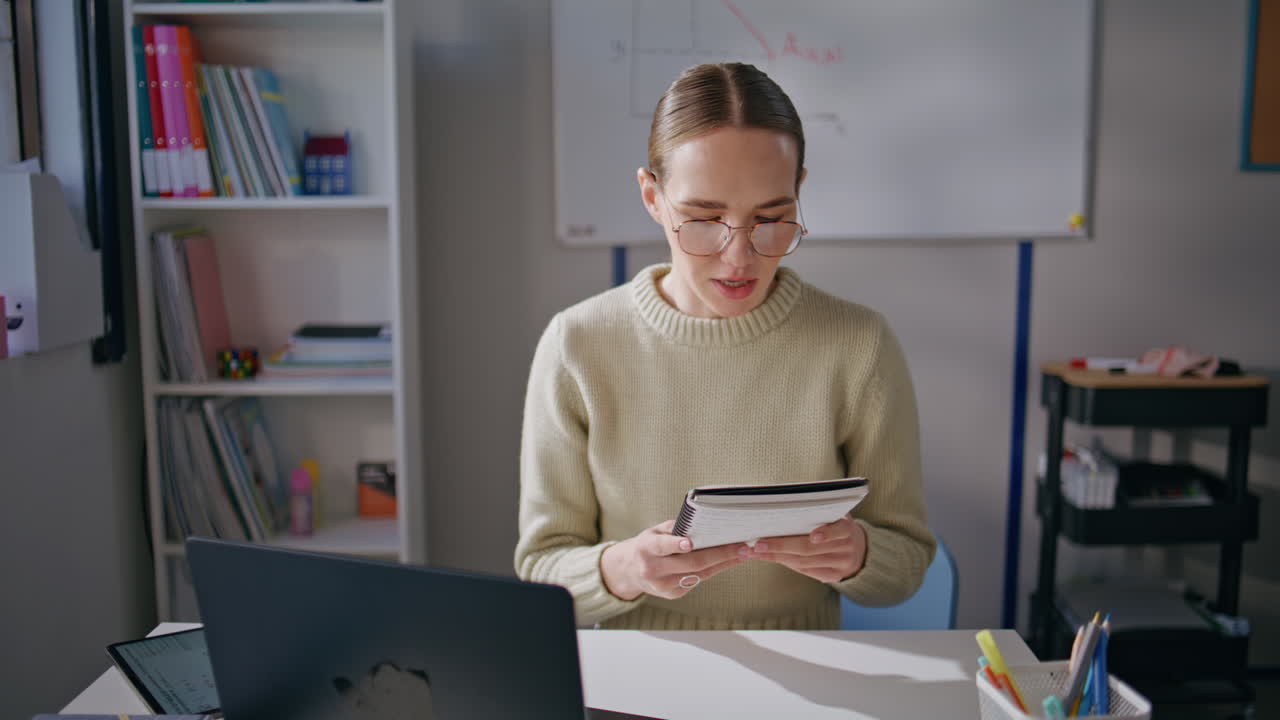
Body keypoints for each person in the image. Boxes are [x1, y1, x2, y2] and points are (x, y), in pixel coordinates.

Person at [515, 62, 935, 630]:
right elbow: (541, 566)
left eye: (772, 218)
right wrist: (622, 569)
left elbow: (907, 566)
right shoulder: (578, 345)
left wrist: (858, 553)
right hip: (632, 682)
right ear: (652, 197)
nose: (739, 257)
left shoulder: (858, 345)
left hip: (803, 676)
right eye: (703, 218)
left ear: (799, 193)